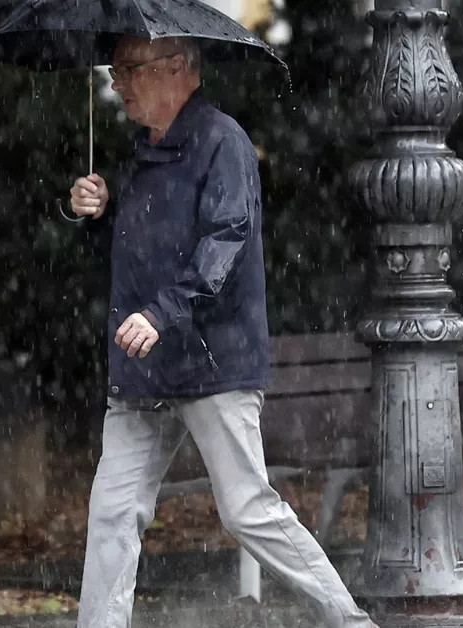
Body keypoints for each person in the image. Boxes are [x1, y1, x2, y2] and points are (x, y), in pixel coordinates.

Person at [68, 35, 377, 628]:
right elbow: (138, 253)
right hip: (146, 366)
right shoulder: (141, 151)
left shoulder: (222, 142)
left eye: (130, 69)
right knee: (112, 512)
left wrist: (162, 313)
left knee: (246, 511)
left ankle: (351, 622)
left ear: (179, 69)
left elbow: (224, 244)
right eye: (115, 71)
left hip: (211, 362)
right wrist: (100, 213)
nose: (119, 83)